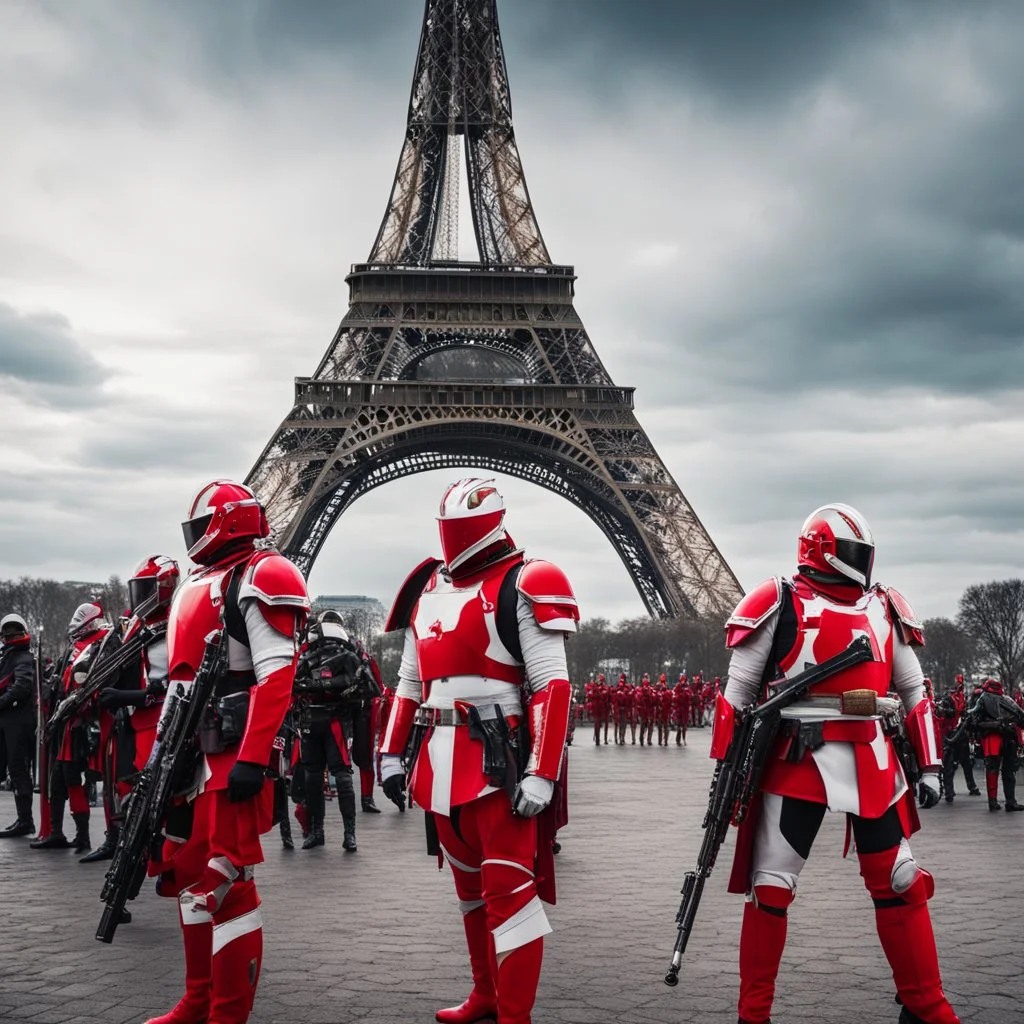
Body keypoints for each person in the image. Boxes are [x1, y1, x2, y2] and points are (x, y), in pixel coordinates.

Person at [712, 503, 958, 1024]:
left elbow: (914, 691)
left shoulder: (885, 605)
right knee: (771, 887)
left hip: (869, 750)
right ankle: (753, 1013)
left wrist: (932, 765)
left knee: (900, 879)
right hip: (798, 753)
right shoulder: (777, 601)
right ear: (823, 552)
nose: (861, 563)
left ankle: (925, 1004)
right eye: (853, 552)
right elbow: (735, 696)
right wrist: (727, 774)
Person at [378, 478, 576, 1024]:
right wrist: (391, 752)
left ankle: (515, 1013)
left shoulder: (527, 581)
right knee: (470, 890)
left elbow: (552, 685)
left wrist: (541, 772)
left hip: (498, 760)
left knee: (510, 894)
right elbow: (408, 681)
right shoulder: (425, 588)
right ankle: (486, 994)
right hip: (439, 758)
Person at [144, 480, 309, 1024]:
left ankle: (226, 1013)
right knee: (191, 873)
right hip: (192, 753)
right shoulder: (203, 583)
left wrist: (254, 756)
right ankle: (198, 1000)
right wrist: (157, 767)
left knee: (227, 885)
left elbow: (277, 675)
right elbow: (177, 686)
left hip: (231, 747)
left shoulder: (262, 574)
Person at [85, 555, 179, 863]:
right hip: (134, 719)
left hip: (157, 718)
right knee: (123, 784)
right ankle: (127, 844)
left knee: (154, 790)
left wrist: (129, 697)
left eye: (145, 589)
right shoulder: (138, 626)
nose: (139, 597)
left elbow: (170, 686)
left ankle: (155, 849)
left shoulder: (173, 626)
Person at [31, 603, 111, 852]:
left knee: (74, 778)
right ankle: (56, 831)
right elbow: (62, 678)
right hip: (65, 720)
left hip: (85, 721)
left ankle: (83, 837)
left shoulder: (103, 644)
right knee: (59, 779)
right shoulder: (75, 648)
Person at [291, 610, 364, 851]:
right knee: (313, 778)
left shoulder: (348, 656)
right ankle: (317, 831)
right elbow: (293, 683)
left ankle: (349, 833)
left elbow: (357, 684)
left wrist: (319, 684)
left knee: (342, 777)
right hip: (314, 718)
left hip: (333, 718)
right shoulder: (307, 656)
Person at [0, 614, 37, 838]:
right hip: (9, 720)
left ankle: (26, 820)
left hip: (18, 721)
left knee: (18, 770)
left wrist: (2, 701)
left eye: (14, 632)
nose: (9, 636)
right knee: (14, 770)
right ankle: (23, 819)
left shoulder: (23, 657)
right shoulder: (9, 656)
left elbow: (22, 686)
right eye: (7, 633)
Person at [967, 678, 1024, 811]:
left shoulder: (985, 699)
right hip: (1001, 737)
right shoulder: (1001, 699)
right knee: (1003, 770)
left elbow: (973, 721)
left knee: (998, 769)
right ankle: (1006, 802)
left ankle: (998, 801)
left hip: (1001, 738)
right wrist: (996, 724)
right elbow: (974, 723)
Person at [934, 675, 979, 803]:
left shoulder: (962, 699)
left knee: (965, 763)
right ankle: (949, 791)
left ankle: (971, 786)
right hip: (950, 734)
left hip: (960, 733)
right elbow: (943, 713)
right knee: (949, 763)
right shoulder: (948, 699)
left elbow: (964, 713)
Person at [673, 674, 690, 747]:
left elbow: (689, 697)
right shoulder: (678, 687)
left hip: (685, 709)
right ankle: (678, 739)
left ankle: (683, 739)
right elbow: (674, 697)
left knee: (684, 725)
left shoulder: (687, 687)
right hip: (679, 708)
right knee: (679, 725)